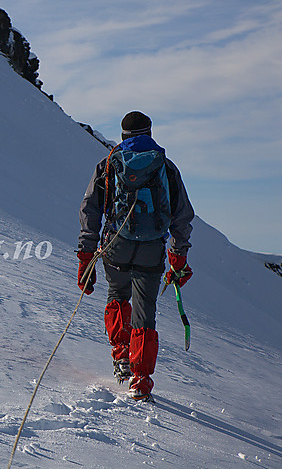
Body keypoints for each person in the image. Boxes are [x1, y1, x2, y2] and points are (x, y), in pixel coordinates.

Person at [77, 111, 195, 401]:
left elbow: (90, 210)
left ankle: (121, 356)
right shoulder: (166, 168)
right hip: (153, 247)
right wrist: (178, 257)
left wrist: (85, 255)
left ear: (123, 135)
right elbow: (182, 217)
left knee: (118, 293)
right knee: (146, 310)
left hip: (116, 243)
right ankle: (141, 380)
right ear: (150, 133)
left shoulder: (107, 165)